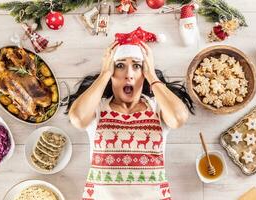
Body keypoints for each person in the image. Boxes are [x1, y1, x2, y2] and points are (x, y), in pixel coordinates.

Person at [66, 27, 194, 200]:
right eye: (120, 66)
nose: (129, 75)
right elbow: (78, 118)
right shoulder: (97, 108)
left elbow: (179, 118)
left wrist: (151, 75)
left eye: (136, 66)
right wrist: (104, 74)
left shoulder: (157, 108)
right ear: (112, 71)